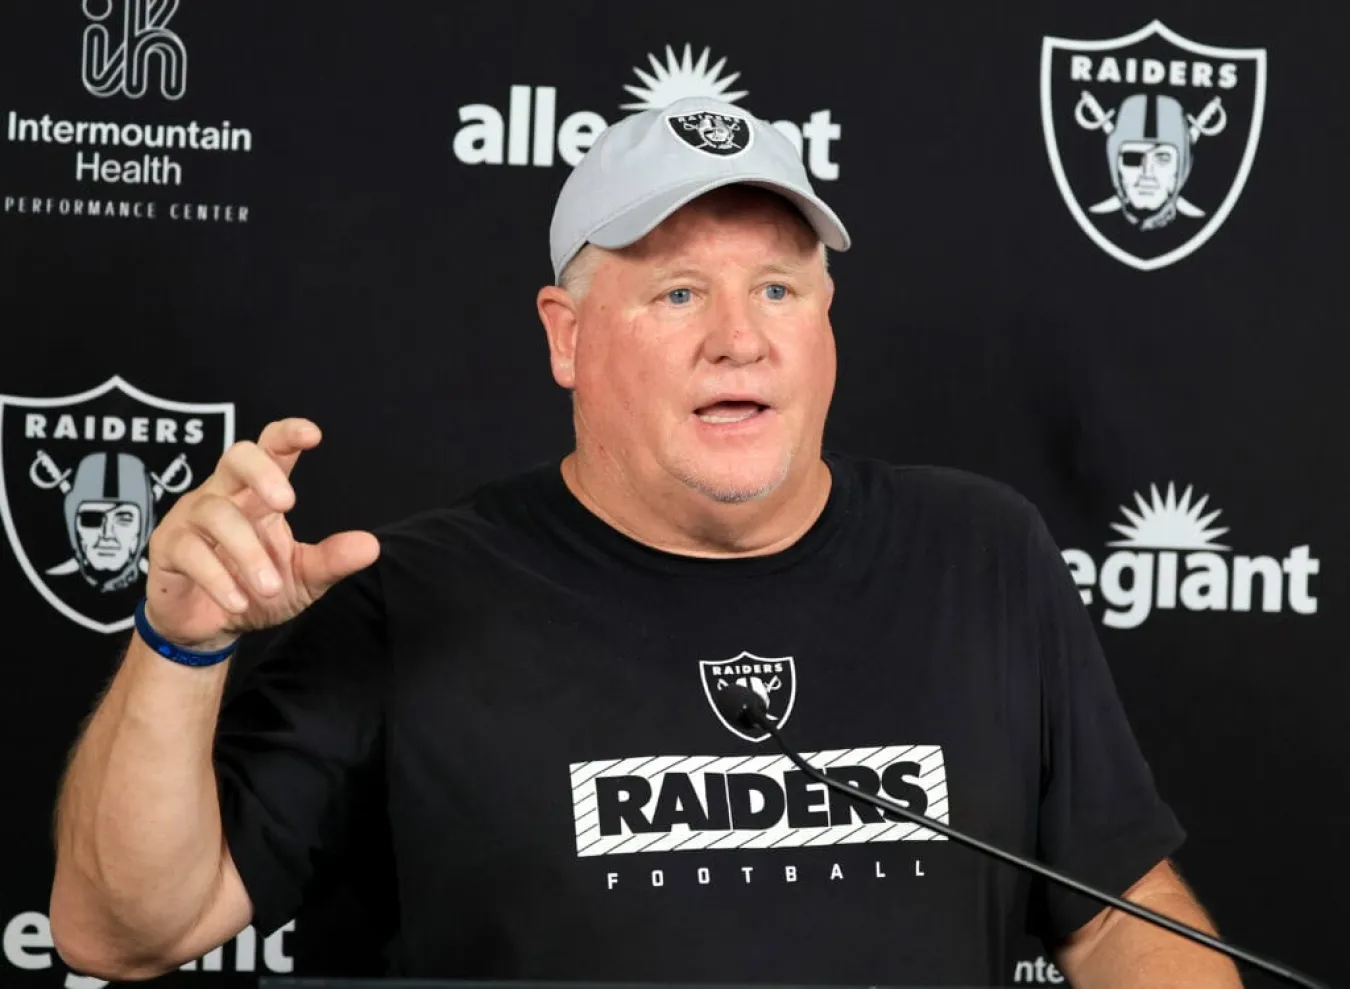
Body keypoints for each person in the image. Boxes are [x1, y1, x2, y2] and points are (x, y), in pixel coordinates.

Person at [48, 96, 1241, 988]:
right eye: (677, 293)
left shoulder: (982, 551)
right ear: (567, 337)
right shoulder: (409, 594)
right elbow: (125, 929)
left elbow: (1113, 909)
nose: (741, 338)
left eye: (778, 289)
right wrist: (178, 642)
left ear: (826, 322)